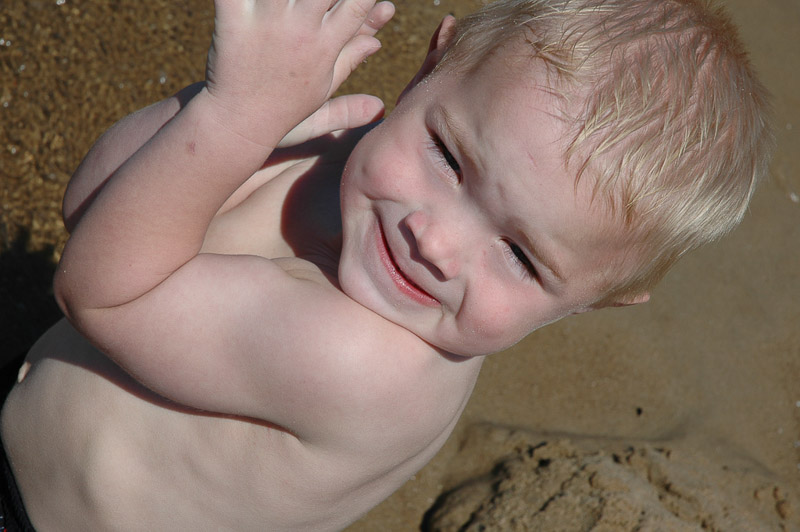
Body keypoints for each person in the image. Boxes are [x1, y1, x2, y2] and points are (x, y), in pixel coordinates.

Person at [0, 0, 772, 529]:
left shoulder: (368, 364)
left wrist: (232, 121)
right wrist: (232, 100)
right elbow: (93, 205)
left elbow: (98, 292)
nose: (435, 241)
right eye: (448, 157)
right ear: (430, 66)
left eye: (520, 256)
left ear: (594, 301)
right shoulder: (340, 160)